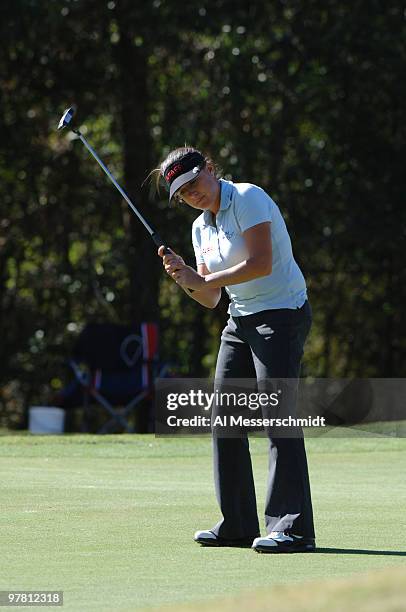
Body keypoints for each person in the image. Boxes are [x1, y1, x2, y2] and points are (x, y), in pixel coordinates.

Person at [154, 147, 315, 553]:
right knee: (224, 417)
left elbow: (261, 262)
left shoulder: (247, 198)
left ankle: (292, 528)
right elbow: (210, 299)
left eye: (194, 183)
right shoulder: (199, 229)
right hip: (240, 320)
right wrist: (185, 280)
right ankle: (238, 524)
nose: (192, 194)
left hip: (281, 314)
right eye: (182, 193)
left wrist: (202, 279)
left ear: (209, 169)